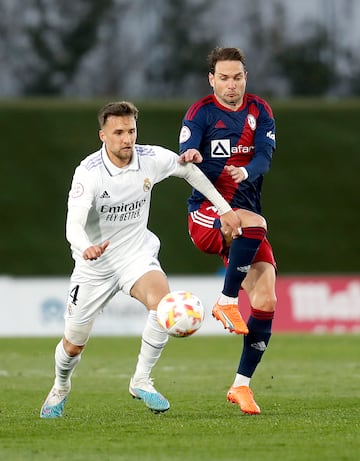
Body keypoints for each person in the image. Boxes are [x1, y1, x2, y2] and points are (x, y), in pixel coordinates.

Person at [39, 100, 240, 418]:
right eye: (118, 132)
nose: (126, 138)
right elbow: (73, 224)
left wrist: (224, 209)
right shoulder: (88, 173)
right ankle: (60, 387)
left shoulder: (151, 158)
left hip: (136, 255)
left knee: (162, 306)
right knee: (73, 345)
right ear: (102, 135)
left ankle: (141, 380)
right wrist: (84, 246)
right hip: (95, 266)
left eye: (131, 130)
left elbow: (189, 171)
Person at [179, 47, 277, 415]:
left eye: (237, 77)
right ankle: (226, 300)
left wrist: (247, 172)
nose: (231, 84)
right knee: (254, 223)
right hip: (206, 215)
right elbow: (186, 154)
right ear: (212, 79)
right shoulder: (200, 112)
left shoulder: (260, 110)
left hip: (244, 220)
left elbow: (264, 157)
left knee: (267, 299)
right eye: (224, 77)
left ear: (245, 77)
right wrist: (191, 157)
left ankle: (241, 386)